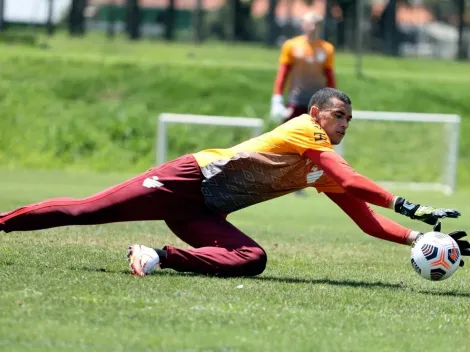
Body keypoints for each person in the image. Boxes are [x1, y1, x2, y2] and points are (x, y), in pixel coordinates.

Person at [1, 88, 469, 278]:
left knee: (252, 259)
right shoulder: (308, 134)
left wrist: (421, 237)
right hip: (182, 181)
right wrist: (408, 205)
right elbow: (351, 177)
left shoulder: (322, 167)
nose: (344, 123)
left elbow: (366, 222)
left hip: (202, 213)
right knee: (85, 212)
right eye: (339, 114)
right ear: (316, 114)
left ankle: (157, 256)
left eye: (349, 118)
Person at [270, 11, 336, 124]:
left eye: (316, 24)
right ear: (303, 25)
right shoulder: (291, 46)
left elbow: (329, 77)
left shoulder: (327, 49)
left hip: (318, 102)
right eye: (310, 24)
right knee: (291, 136)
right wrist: (277, 98)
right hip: (296, 100)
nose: (313, 27)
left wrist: (332, 99)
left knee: (316, 138)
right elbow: (283, 73)